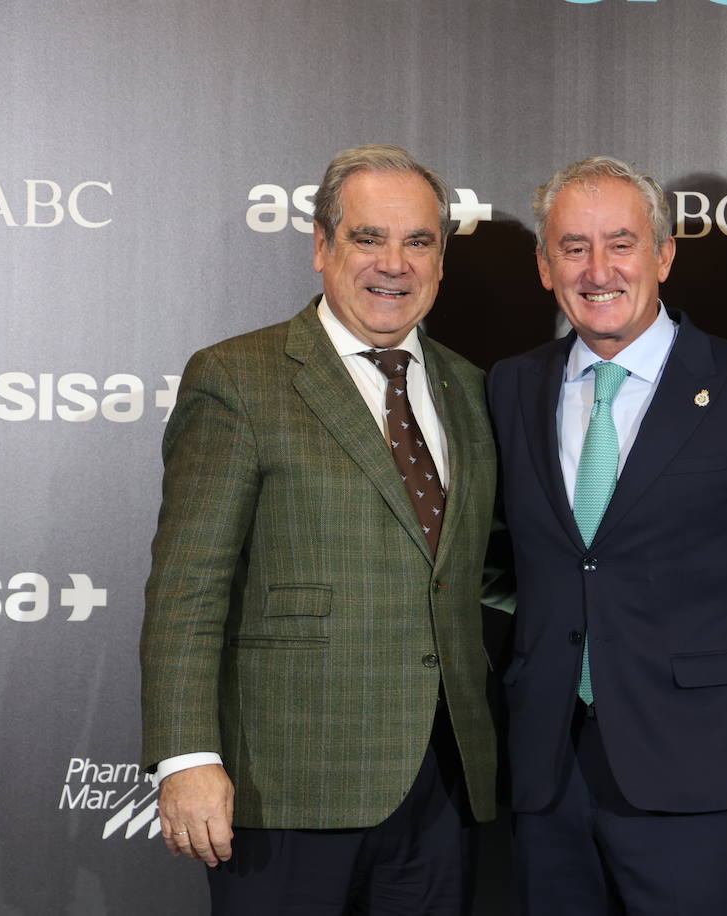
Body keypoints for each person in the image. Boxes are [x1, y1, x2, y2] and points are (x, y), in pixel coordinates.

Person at [139, 145, 504, 913]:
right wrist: (185, 756)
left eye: (419, 241)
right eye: (369, 238)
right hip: (286, 786)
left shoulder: (471, 388)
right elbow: (187, 589)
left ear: (441, 257)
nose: (393, 265)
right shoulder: (239, 378)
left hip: (441, 786)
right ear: (321, 246)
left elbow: (476, 575)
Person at [487, 156, 727, 914]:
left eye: (622, 243)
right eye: (573, 247)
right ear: (545, 266)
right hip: (547, 773)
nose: (598, 269)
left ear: (665, 254)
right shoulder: (512, 386)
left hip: (699, 777)